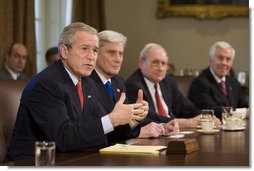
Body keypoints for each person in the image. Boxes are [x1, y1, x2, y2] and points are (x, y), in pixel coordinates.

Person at [4, 22, 147, 162]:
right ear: (64, 51)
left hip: (74, 158)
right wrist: (112, 119)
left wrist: (132, 117)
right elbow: (64, 138)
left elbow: (102, 131)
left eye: (95, 50)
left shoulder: (88, 83)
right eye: (85, 49)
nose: (91, 56)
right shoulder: (46, 84)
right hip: (31, 163)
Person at [90, 30, 179, 138]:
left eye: (121, 54)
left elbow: (125, 123)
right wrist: (138, 133)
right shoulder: (87, 81)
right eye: (111, 53)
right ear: (96, 53)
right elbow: (99, 128)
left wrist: (139, 117)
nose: (118, 59)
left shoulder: (118, 82)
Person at [125, 43, 221, 128]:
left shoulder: (168, 82)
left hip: (172, 132)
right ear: (141, 63)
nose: (161, 68)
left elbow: (187, 108)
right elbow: (148, 118)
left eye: (164, 63)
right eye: (155, 63)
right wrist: (186, 123)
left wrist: (205, 117)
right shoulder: (133, 85)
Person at [188, 41, 249, 119]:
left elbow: (243, 104)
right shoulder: (199, 83)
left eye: (228, 59)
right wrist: (243, 112)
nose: (224, 63)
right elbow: (212, 111)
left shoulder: (233, 82)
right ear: (210, 59)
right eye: (220, 58)